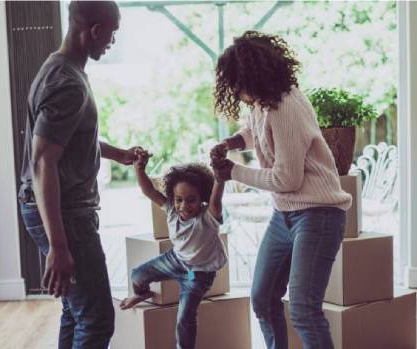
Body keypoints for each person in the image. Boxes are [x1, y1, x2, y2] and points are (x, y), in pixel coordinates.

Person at [210, 31, 352, 349]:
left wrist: (234, 172)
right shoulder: (263, 100)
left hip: (318, 215)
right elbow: (255, 129)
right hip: (284, 215)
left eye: (238, 84)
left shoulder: (285, 105)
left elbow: (287, 180)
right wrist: (232, 142)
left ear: (255, 77)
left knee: (303, 311)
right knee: (263, 297)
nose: (235, 91)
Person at [18, 2, 145, 348]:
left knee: (77, 313)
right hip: (67, 214)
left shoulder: (58, 68)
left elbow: (66, 139)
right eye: (112, 33)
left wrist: (118, 154)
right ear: (94, 30)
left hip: (62, 209)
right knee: (97, 318)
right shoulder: (68, 83)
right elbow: (44, 160)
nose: (112, 41)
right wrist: (58, 246)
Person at [120, 151, 227, 349]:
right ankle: (142, 293)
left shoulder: (208, 217)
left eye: (191, 200)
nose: (183, 206)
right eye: (179, 199)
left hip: (199, 273)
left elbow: (216, 201)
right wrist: (140, 169)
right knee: (137, 275)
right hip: (175, 260)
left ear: (201, 197)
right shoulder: (171, 209)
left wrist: (220, 179)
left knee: (184, 318)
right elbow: (148, 191)